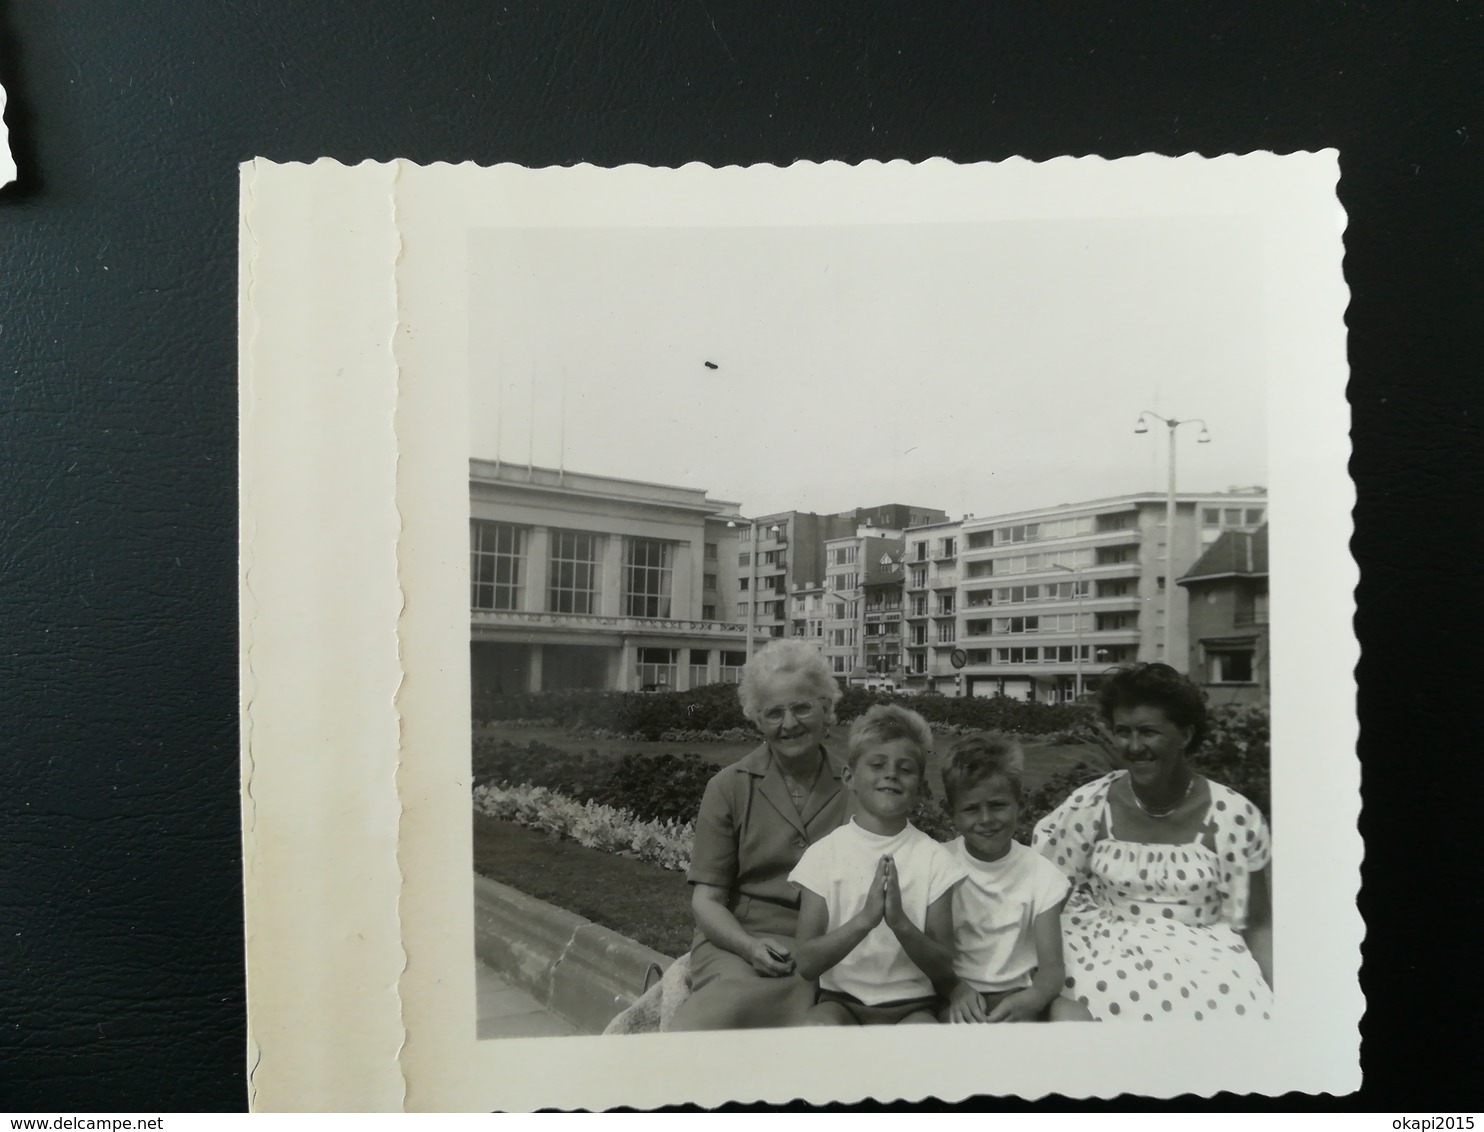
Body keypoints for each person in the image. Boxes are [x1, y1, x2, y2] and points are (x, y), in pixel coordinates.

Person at [1033, 662, 1273, 1022]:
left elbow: (1256, 924)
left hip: (1206, 964)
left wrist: (1285, 1003)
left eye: (1148, 732)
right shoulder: (1090, 805)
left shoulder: (1233, 816)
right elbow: (1045, 896)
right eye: (1122, 732)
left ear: (1185, 735)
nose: (1133, 747)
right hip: (1101, 955)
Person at [667, 639, 851, 1030]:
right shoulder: (728, 787)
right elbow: (707, 900)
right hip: (740, 941)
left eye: (802, 707)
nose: (789, 724)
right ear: (757, 720)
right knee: (711, 1022)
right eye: (773, 713)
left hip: (829, 943)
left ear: (826, 707)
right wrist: (749, 947)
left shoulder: (857, 786)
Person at [789, 705, 967, 1025]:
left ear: (920, 787)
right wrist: (865, 921)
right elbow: (806, 962)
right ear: (849, 777)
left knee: (928, 1042)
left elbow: (945, 966)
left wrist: (899, 923)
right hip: (841, 1003)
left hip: (913, 1006)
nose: (891, 774)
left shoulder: (935, 859)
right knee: (816, 1031)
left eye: (905, 768)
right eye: (877, 764)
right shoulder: (824, 855)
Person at [938, 734, 1092, 1022]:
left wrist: (1031, 1000)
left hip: (1020, 994)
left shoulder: (1040, 873)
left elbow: (1051, 970)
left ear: (1019, 803)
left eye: (998, 805)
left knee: (1074, 1014)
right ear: (952, 813)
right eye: (971, 808)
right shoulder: (939, 866)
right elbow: (933, 958)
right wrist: (955, 990)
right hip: (960, 996)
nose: (986, 819)